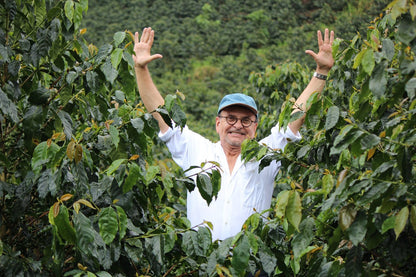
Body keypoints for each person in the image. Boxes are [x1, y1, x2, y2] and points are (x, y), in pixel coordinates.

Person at [133, 27, 334, 241]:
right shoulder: (197, 150)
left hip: (253, 268)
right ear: (218, 123)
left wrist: (321, 72)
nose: (238, 125)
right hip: (202, 264)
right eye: (231, 118)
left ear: (255, 128)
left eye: (246, 120)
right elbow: (162, 115)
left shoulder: (266, 156)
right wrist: (140, 68)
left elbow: (295, 119)